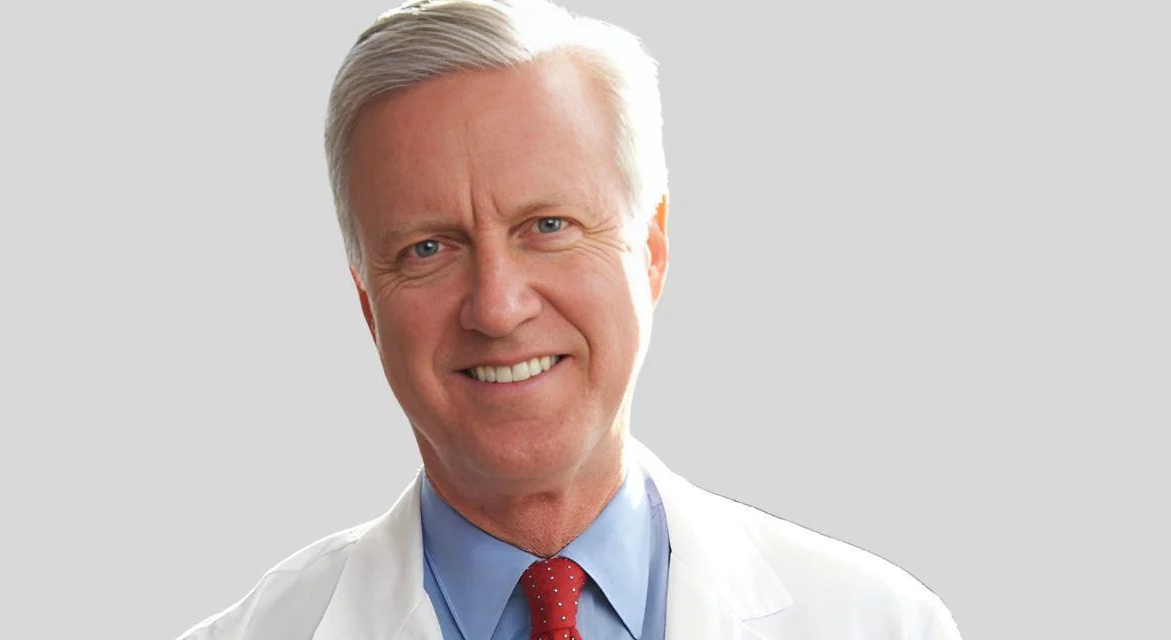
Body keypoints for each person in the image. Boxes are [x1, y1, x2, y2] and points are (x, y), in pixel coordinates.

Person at [177, 1, 962, 638]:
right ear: (366, 305)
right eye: (427, 249)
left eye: (548, 226)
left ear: (651, 250)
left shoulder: (882, 624)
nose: (496, 307)